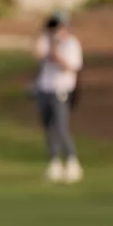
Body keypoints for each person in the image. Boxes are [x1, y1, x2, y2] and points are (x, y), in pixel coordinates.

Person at [32, 11, 84, 184]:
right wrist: (49, 44)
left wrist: (56, 53)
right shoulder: (46, 40)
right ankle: (54, 163)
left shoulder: (71, 44)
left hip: (62, 90)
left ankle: (72, 161)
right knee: (48, 128)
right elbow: (38, 54)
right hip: (44, 89)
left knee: (61, 127)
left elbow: (71, 67)